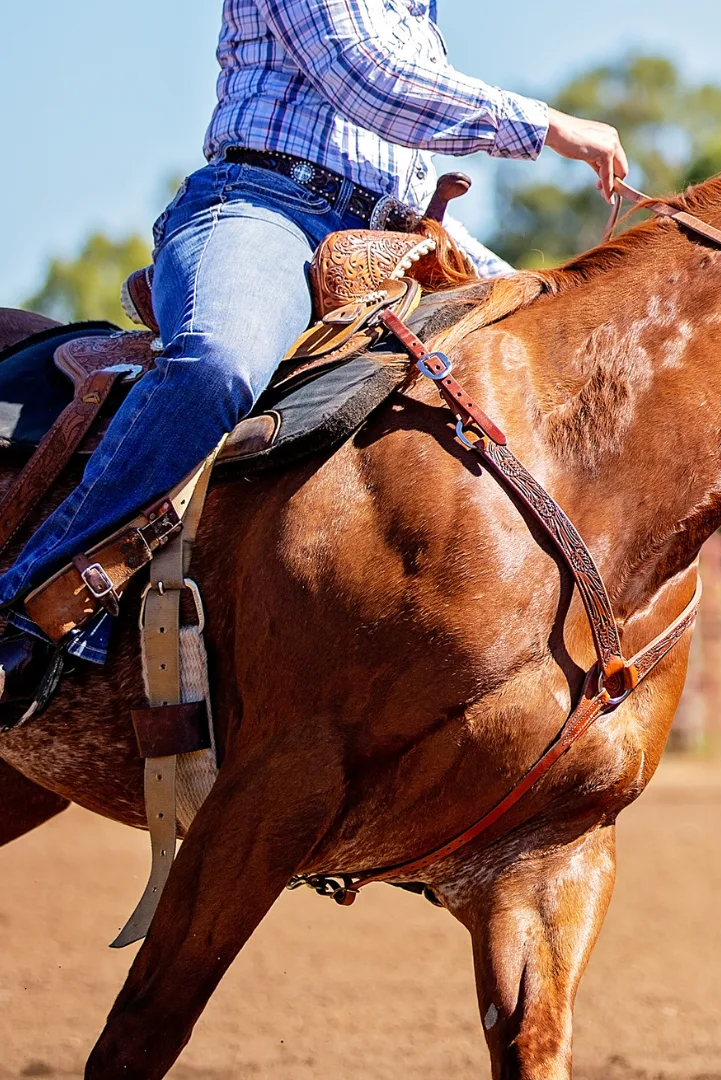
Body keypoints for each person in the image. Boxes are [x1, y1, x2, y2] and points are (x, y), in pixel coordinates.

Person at [0, 0, 630, 705]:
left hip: (391, 238)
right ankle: (29, 612)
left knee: (549, 347)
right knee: (218, 362)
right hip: (267, 205)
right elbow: (364, 78)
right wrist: (546, 125)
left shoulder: (415, 13)